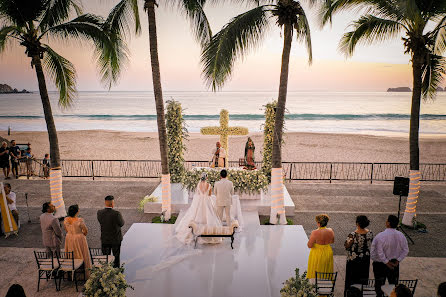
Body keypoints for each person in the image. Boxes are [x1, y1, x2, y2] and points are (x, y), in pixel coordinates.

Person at [175, 172, 222, 244]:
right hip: (207, 202)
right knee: (210, 215)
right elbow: (209, 195)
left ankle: (196, 230)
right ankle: (208, 231)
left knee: (196, 215)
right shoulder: (209, 185)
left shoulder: (198, 185)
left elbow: (198, 194)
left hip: (199, 202)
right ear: (206, 178)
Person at [371, 215, 409, 297]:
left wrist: (386, 262)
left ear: (388, 223)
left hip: (380, 265)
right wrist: (398, 260)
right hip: (394, 263)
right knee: (393, 285)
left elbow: (377, 252)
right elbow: (406, 250)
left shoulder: (380, 236)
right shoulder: (401, 235)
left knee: (379, 286)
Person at [344, 215, 374, 295]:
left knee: (352, 280)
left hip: (353, 261)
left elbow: (346, 245)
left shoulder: (353, 235)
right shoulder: (370, 233)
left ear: (357, 223)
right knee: (362, 280)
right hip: (365, 260)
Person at [64, 204, 92, 278]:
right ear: (77, 211)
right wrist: (81, 235)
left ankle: (71, 270)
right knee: (82, 253)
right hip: (79, 238)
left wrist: (70, 234)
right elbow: (85, 231)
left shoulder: (66, 220)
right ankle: (83, 271)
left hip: (69, 238)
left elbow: (66, 229)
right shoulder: (79, 220)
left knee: (71, 253)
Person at [97, 195, 125, 267]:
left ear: (105, 203)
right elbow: (122, 223)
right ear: (112, 204)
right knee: (116, 257)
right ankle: (116, 272)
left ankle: (106, 272)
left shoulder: (99, 212)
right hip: (116, 239)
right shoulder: (116, 214)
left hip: (105, 239)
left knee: (106, 258)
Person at [307, 214, 334, 280]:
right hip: (327, 252)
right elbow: (332, 241)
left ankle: (315, 284)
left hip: (317, 253)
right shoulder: (330, 231)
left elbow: (309, 245)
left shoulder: (314, 232)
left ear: (318, 223)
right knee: (326, 268)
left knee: (316, 268)